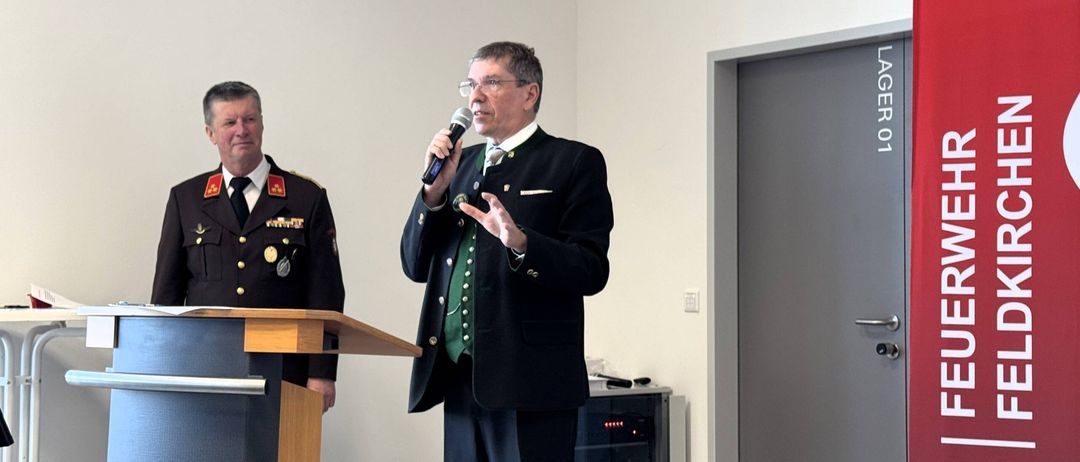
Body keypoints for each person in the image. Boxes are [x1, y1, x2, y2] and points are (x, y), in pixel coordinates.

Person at [400, 42, 614, 461]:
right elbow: (414, 264)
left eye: (491, 83)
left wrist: (522, 244)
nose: (474, 97)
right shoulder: (459, 165)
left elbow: (591, 269)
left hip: (532, 384)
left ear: (529, 93)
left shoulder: (572, 161)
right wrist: (432, 193)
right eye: (471, 85)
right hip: (461, 377)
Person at [151, 81, 344, 412]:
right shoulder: (186, 199)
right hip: (205, 368)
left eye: (249, 119)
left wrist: (322, 373)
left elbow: (326, 293)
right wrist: (161, 367)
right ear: (211, 133)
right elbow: (166, 295)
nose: (241, 130)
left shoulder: (305, 198)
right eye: (229, 122)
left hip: (286, 371)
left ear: (262, 124)